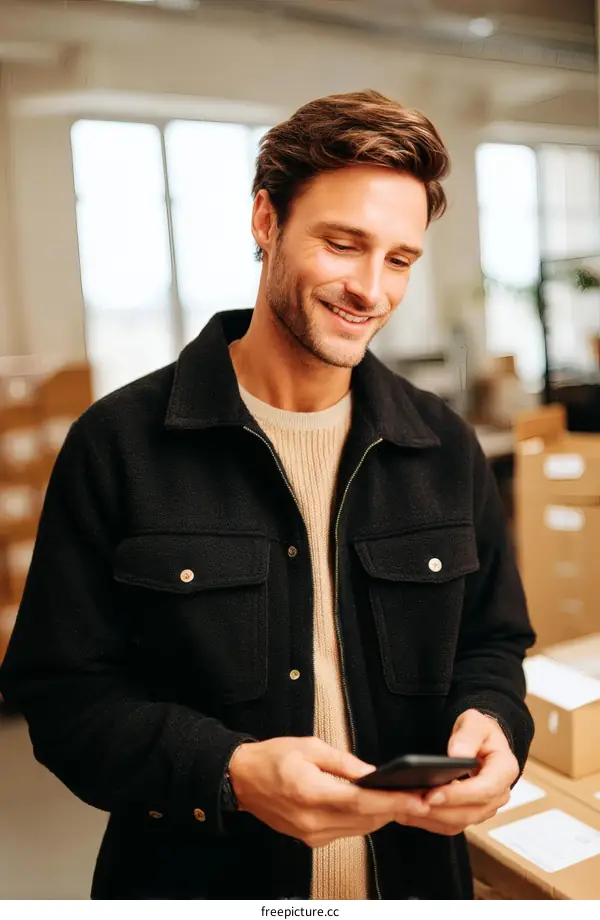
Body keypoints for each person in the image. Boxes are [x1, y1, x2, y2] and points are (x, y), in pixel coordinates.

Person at [0, 90, 535, 901]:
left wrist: (494, 723)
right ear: (265, 221)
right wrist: (231, 771)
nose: (371, 290)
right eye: (344, 244)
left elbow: (492, 644)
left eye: (398, 259)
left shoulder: (443, 447)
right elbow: (64, 699)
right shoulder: (119, 445)